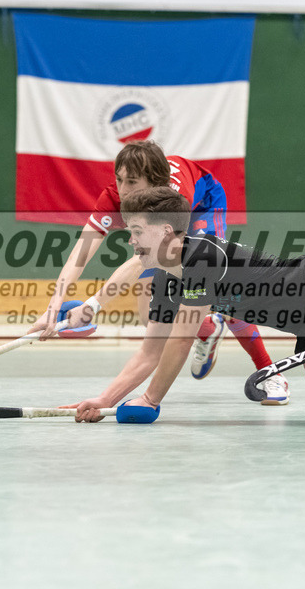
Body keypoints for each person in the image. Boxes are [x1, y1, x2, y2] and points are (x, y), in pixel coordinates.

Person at [61, 186, 305, 424]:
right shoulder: (168, 281)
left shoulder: (201, 257)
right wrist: (105, 400)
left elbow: (182, 341)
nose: (130, 241)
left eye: (136, 231)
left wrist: (150, 400)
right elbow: (150, 353)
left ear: (166, 231)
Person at [29, 140, 290, 404]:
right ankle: (207, 329)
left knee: (220, 291)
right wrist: (52, 309)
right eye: (119, 180)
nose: (122, 190)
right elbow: (80, 254)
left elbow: (141, 261)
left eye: (132, 182)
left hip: (204, 206)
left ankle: (269, 372)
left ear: (156, 183)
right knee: (151, 316)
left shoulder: (172, 199)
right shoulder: (112, 198)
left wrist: (92, 306)